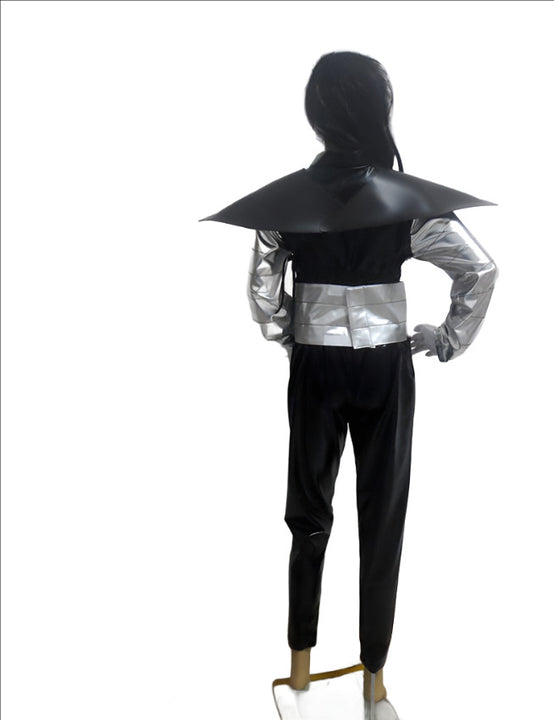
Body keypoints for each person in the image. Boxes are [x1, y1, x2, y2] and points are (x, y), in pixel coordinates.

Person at [201, 51, 499, 715]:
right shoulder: (407, 202)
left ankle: (300, 673)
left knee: (308, 515)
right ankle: (375, 684)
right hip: (386, 366)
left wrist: (290, 331)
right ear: (378, 109)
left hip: (316, 365)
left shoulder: (284, 203)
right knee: (383, 515)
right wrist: (446, 338)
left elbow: (262, 290)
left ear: (315, 115)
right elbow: (479, 271)